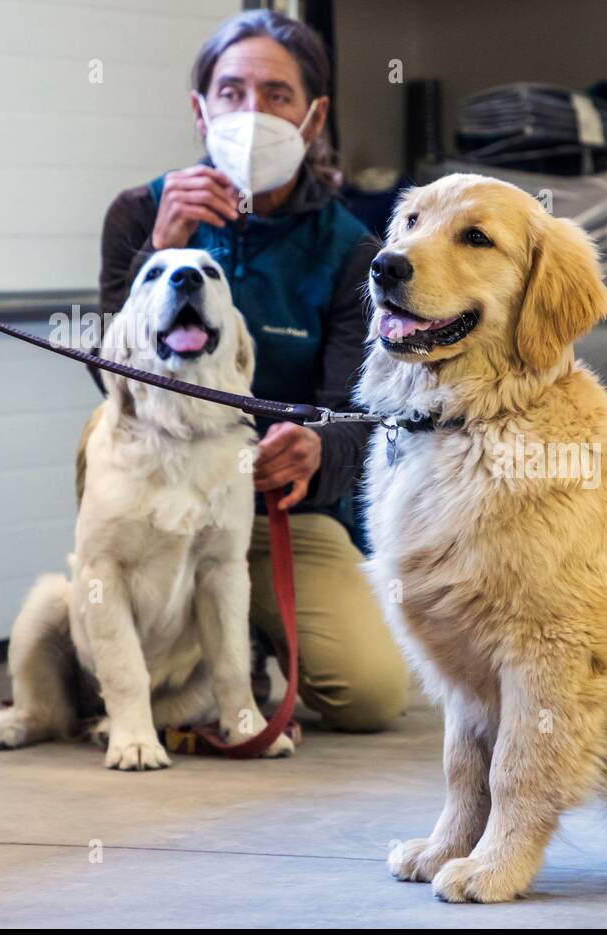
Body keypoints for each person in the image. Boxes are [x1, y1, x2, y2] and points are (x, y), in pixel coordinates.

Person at [93, 9, 409, 732]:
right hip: (155, 486)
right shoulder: (137, 214)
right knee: (97, 431)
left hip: (274, 511)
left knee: (372, 693)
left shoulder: (352, 253)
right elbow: (107, 378)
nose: (252, 112)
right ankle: (164, 641)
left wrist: (315, 450)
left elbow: (360, 416)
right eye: (231, 93)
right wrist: (157, 251)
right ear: (200, 110)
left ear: (314, 116)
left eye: (277, 95)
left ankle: (256, 630)